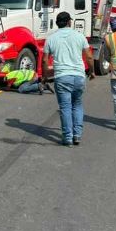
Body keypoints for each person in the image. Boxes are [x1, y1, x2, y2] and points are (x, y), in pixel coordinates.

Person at [42, 12, 95, 147]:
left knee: (65, 107)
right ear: (69, 22)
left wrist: (45, 76)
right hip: (78, 76)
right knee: (77, 104)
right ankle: (77, 135)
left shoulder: (51, 39)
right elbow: (89, 56)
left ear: (57, 23)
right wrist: (92, 71)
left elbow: (44, 60)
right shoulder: (79, 36)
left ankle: (68, 138)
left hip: (62, 77)